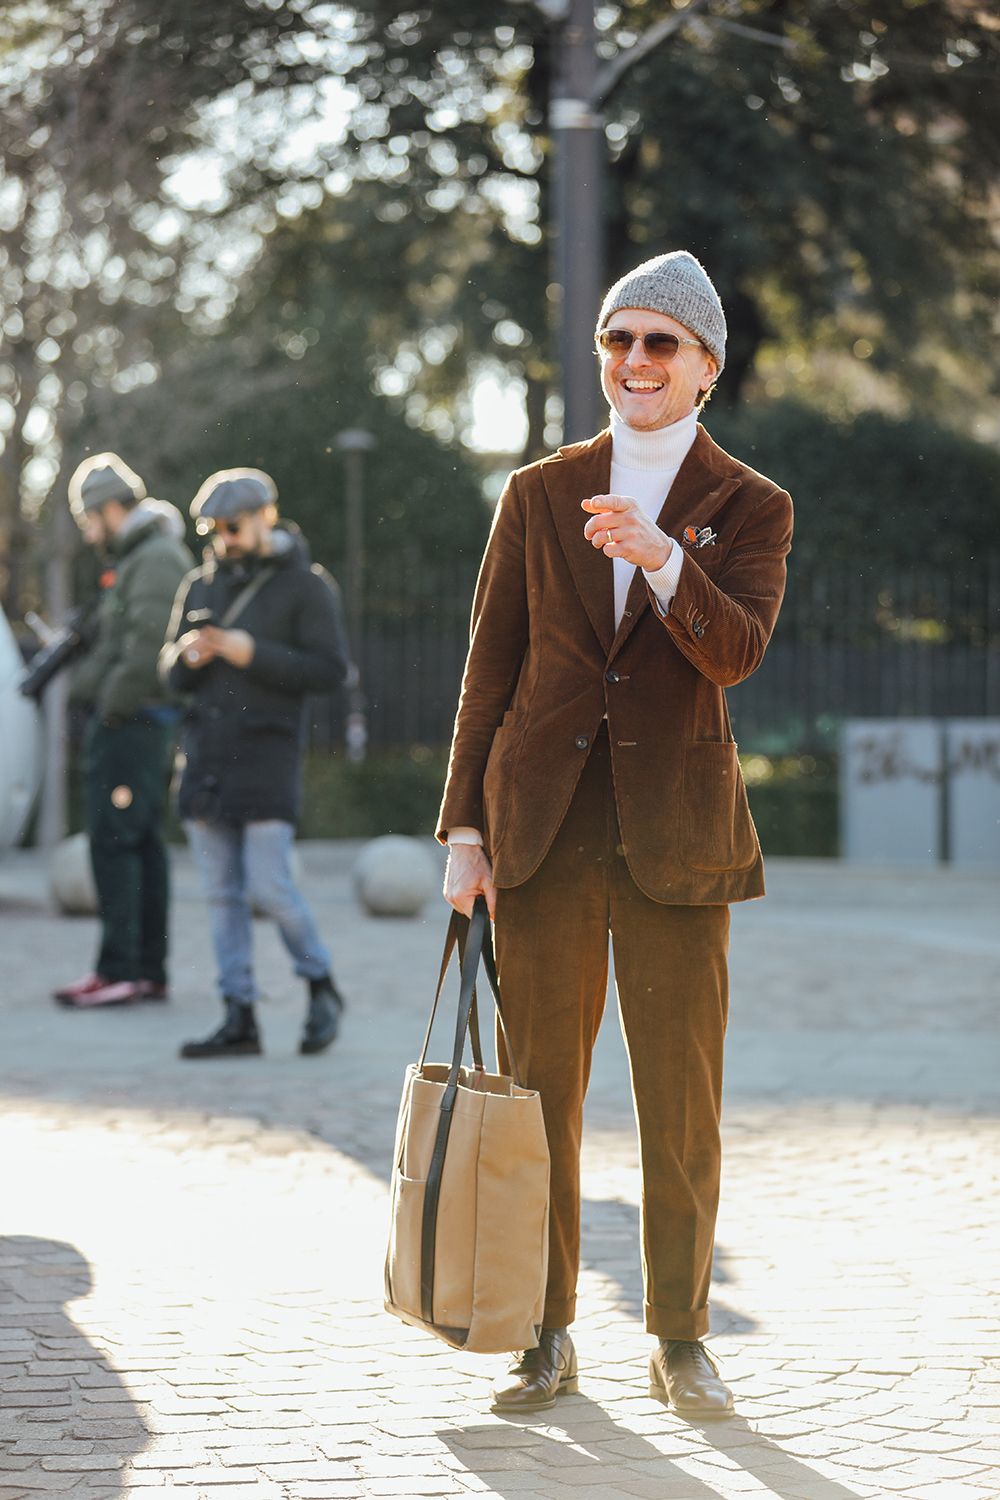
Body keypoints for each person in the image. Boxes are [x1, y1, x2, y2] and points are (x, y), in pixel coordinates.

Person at [439, 251, 793, 1418]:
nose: (634, 360)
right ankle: (543, 1332)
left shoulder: (752, 504)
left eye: (659, 342)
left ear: (704, 365)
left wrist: (663, 560)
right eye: (617, 339)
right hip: (540, 832)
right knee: (538, 1091)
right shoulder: (537, 491)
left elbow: (737, 653)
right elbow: (489, 666)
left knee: (680, 1103)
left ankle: (680, 1338)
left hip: (678, 840)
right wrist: (463, 829)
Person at [159, 468, 349, 1059]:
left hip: (267, 755)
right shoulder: (199, 584)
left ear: (266, 515)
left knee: (269, 886)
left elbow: (330, 670)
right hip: (206, 758)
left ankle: (320, 985)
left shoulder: (307, 586)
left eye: (233, 526)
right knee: (221, 895)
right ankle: (238, 1015)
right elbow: (168, 676)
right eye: (214, 529)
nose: (224, 538)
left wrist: (251, 653)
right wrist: (186, 658)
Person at [55, 454, 192, 1009]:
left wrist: (106, 709)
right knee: (141, 842)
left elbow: (143, 651)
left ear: (112, 508)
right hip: (137, 720)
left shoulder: (154, 558)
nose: (89, 534)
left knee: (116, 842)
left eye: (89, 520)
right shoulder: (143, 556)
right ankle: (145, 971)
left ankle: (120, 971)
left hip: (133, 723)